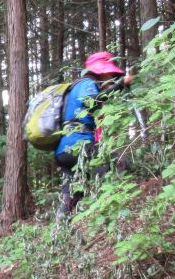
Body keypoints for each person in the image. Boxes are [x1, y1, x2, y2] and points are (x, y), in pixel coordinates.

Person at [55, 52, 133, 216]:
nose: (111, 77)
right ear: (101, 71)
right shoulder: (86, 84)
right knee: (116, 163)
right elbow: (94, 101)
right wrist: (121, 84)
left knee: (75, 191)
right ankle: (114, 212)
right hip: (78, 145)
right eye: (110, 74)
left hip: (63, 150)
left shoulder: (73, 89)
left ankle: (62, 226)